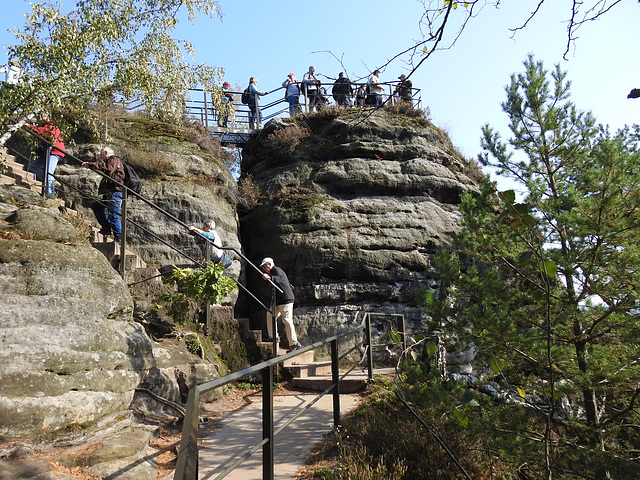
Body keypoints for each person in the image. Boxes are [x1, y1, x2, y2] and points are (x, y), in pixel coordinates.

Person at [82, 147, 125, 242]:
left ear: (105, 153)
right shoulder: (113, 160)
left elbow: (109, 169)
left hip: (115, 192)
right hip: (110, 192)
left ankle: (119, 238)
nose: (101, 158)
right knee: (97, 206)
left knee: (113, 214)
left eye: (101, 155)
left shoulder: (114, 160)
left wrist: (91, 164)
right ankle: (106, 227)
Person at [260, 257, 301, 353]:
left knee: (287, 320)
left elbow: (280, 279)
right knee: (270, 314)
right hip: (278, 301)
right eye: (263, 268)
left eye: (264, 267)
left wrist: (270, 278)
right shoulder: (273, 272)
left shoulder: (277, 270)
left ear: (269, 264)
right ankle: (274, 336)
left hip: (285, 300)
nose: (264, 269)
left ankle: (294, 343)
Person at [27, 119, 66, 197]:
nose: (38, 120)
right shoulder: (45, 126)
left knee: (48, 171)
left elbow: (46, 133)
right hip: (47, 152)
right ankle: (53, 182)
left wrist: (31, 127)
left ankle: (50, 194)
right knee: (32, 166)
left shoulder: (53, 126)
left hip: (55, 152)